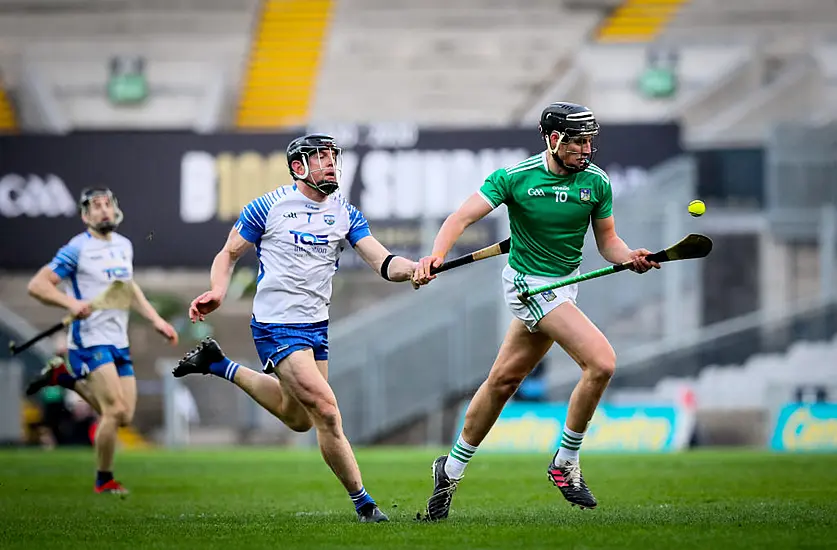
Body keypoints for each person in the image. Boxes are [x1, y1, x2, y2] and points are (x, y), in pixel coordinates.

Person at [414, 102, 660, 520]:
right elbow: (461, 217)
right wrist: (435, 255)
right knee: (601, 363)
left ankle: (449, 470)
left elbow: (608, 242)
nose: (586, 148)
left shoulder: (596, 183)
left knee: (503, 381)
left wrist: (630, 256)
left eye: (590, 140)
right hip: (528, 285)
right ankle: (565, 463)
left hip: (565, 287)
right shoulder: (515, 177)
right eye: (578, 141)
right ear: (553, 139)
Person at [172, 134, 419, 523]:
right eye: (320, 158)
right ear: (298, 167)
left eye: (333, 157)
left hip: (316, 327)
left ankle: (221, 365)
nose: (330, 164)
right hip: (276, 326)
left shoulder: (345, 212)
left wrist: (414, 269)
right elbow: (228, 253)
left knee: (299, 418)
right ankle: (365, 505)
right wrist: (218, 291)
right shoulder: (268, 207)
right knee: (326, 411)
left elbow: (384, 262)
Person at [25, 187, 179, 493]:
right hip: (89, 340)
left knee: (125, 416)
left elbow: (129, 288)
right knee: (113, 411)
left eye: (107, 204)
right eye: (96, 206)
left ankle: (64, 378)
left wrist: (155, 320)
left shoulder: (124, 246)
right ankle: (104, 479)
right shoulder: (76, 249)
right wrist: (70, 305)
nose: (103, 210)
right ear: (85, 216)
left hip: (118, 340)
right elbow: (37, 286)